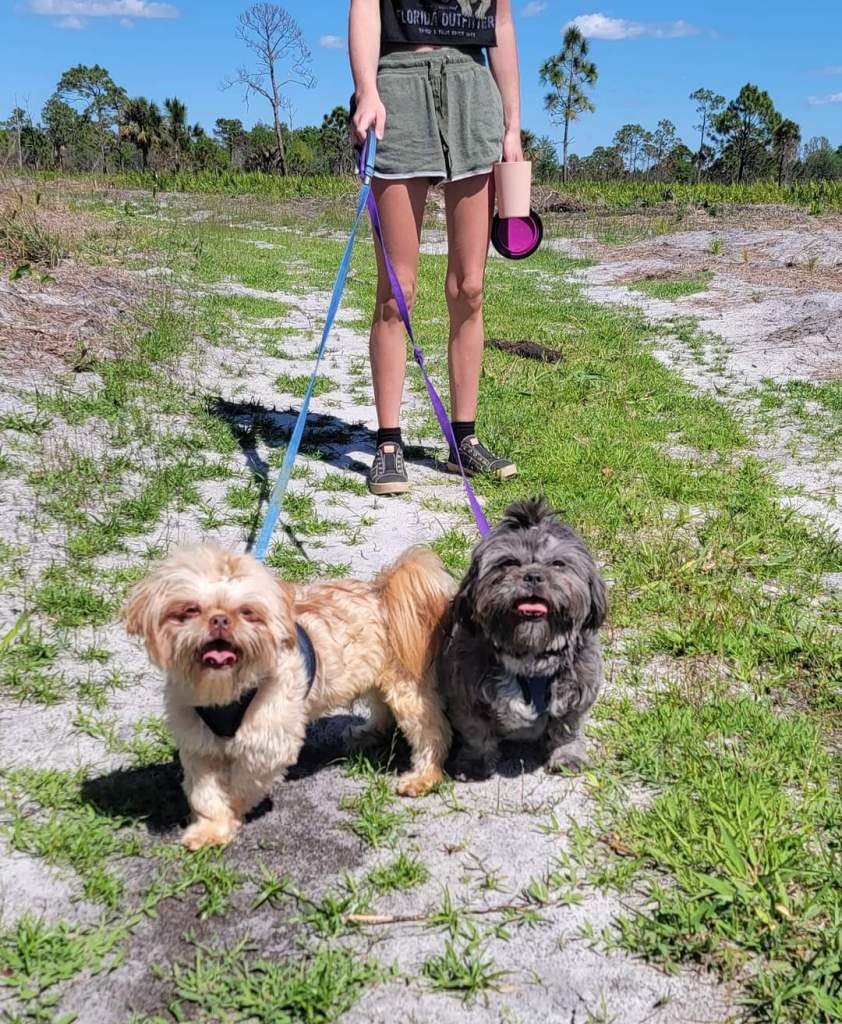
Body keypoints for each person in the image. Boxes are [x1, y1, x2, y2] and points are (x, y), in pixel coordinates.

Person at [348, 0, 523, 495]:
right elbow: (365, 6)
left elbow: (501, 22)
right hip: (398, 86)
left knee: (470, 287)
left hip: (472, 87)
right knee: (397, 290)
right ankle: (388, 442)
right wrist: (367, 90)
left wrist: (512, 127)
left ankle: (463, 440)